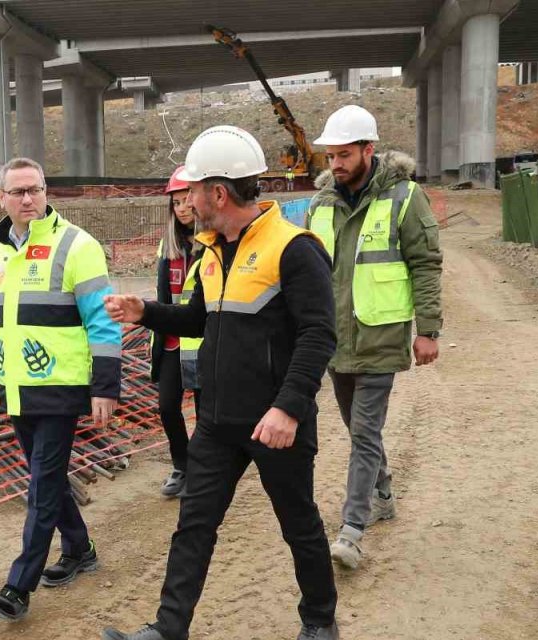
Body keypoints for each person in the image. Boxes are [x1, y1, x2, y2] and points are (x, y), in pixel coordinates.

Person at [102, 125, 340, 640]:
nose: (186, 201)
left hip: (275, 421)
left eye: (192, 190)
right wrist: (146, 312)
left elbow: (319, 336)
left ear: (218, 192)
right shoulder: (210, 251)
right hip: (216, 420)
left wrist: (289, 408)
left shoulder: (294, 248)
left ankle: (320, 622)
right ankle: (169, 629)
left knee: (298, 525)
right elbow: (197, 319)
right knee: (193, 526)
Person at [0, 157, 122, 622]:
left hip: (61, 386)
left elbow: (103, 321)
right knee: (48, 480)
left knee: (40, 487)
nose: (27, 199)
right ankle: (80, 549)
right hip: (15, 387)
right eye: (17, 192)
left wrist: (105, 385)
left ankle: (18, 589)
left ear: (46, 192)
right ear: (1, 198)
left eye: (34, 190)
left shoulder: (78, 246)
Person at [306, 104, 443, 570]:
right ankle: (382, 493)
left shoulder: (405, 197)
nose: (336, 164)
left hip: (381, 334)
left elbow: (425, 264)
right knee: (355, 427)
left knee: (365, 431)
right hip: (335, 339)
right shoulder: (320, 204)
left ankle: (352, 530)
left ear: (369, 150)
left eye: (344, 155)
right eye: (330, 156)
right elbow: (306, 273)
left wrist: (427, 330)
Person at [149, 166, 202, 498]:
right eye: (176, 202)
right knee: (168, 407)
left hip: (203, 343)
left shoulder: (212, 242)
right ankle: (182, 465)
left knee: (206, 412)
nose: (182, 208)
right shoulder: (166, 246)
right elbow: (162, 295)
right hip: (171, 342)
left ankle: (200, 470)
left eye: (187, 200)